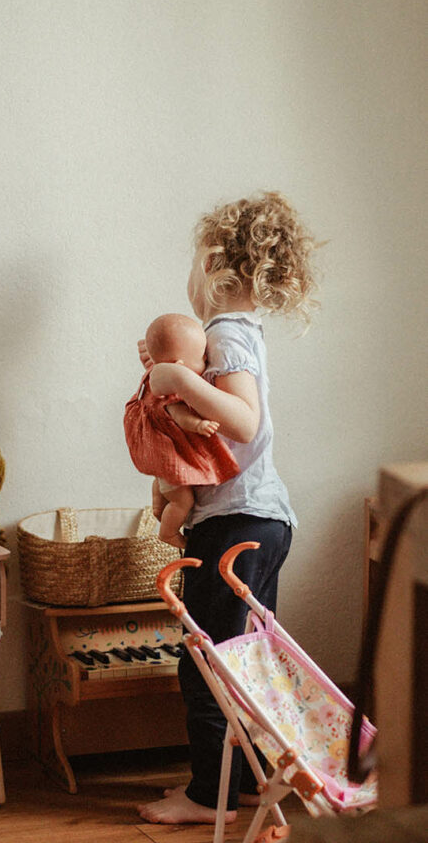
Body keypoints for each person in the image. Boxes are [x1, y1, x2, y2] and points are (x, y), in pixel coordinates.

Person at [136, 190, 319, 826]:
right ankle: (239, 785)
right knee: (237, 660)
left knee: (208, 662)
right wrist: (183, 401)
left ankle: (208, 794)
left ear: (214, 265)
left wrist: (183, 382)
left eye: (193, 264)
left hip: (239, 523)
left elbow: (244, 422)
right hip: (258, 520)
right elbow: (221, 431)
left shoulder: (223, 332)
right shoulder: (238, 334)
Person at [124, 313, 240, 549]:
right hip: (169, 458)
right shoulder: (171, 389)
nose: (206, 360)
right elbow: (179, 415)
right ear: (178, 368)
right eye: (201, 357)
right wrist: (198, 424)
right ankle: (167, 532)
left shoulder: (152, 375)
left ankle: (158, 506)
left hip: (159, 456)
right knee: (183, 500)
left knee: (165, 478)